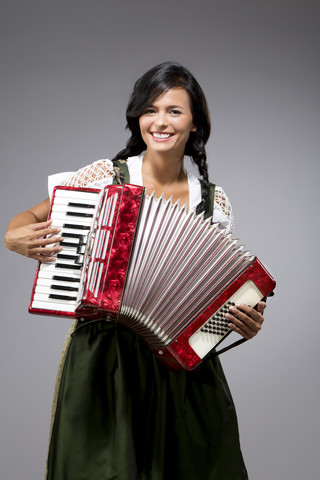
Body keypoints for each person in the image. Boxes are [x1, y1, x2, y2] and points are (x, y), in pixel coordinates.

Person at [5, 62, 266, 480]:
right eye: (150, 110)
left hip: (182, 366)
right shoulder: (105, 177)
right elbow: (25, 220)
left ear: (196, 122)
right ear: (138, 118)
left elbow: (219, 294)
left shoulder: (213, 203)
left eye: (174, 111)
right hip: (104, 359)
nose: (160, 121)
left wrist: (245, 323)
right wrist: (13, 236)